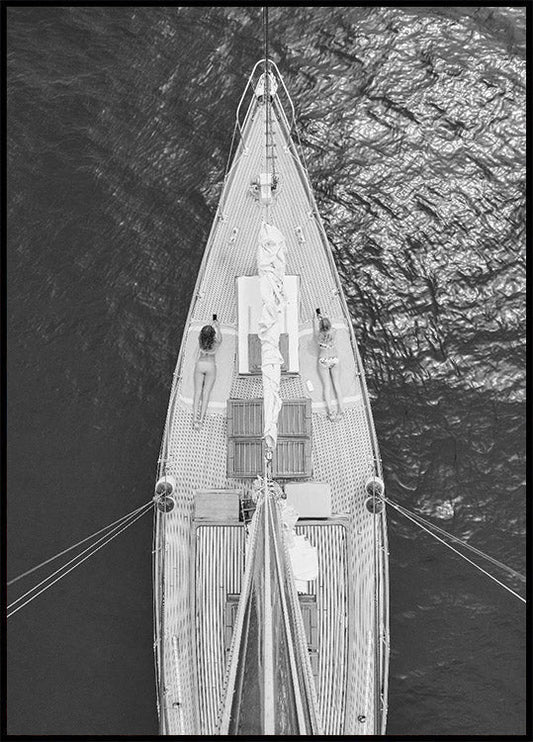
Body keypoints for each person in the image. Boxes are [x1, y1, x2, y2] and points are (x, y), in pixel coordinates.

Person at [313, 308, 344, 421]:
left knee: (327, 387)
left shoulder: (318, 334)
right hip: (334, 358)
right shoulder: (334, 331)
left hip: (323, 360)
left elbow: (316, 327)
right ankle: (341, 411)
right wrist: (325, 317)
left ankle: (331, 412)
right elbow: (330, 325)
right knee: (337, 385)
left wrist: (316, 319)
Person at [192, 315, 222, 429]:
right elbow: (218, 335)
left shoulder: (200, 341)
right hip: (210, 366)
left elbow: (204, 336)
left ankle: (194, 419)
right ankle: (201, 420)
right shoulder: (217, 342)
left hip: (200, 365)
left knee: (197, 392)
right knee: (206, 393)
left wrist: (209, 327)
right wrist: (216, 326)